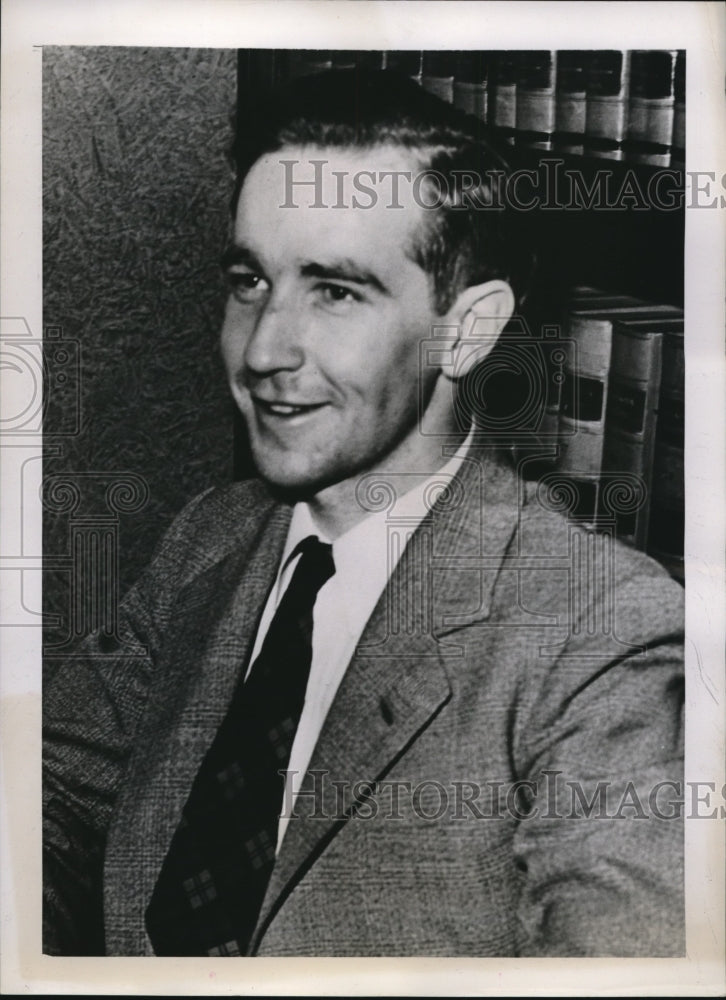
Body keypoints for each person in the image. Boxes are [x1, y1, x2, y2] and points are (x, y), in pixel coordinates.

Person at [43, 67, 685, 958]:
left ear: (466, 329)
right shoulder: (213, 534)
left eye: (336, 292)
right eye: (249, 280)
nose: (264, 350)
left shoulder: (601, 634)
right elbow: (54, 797)